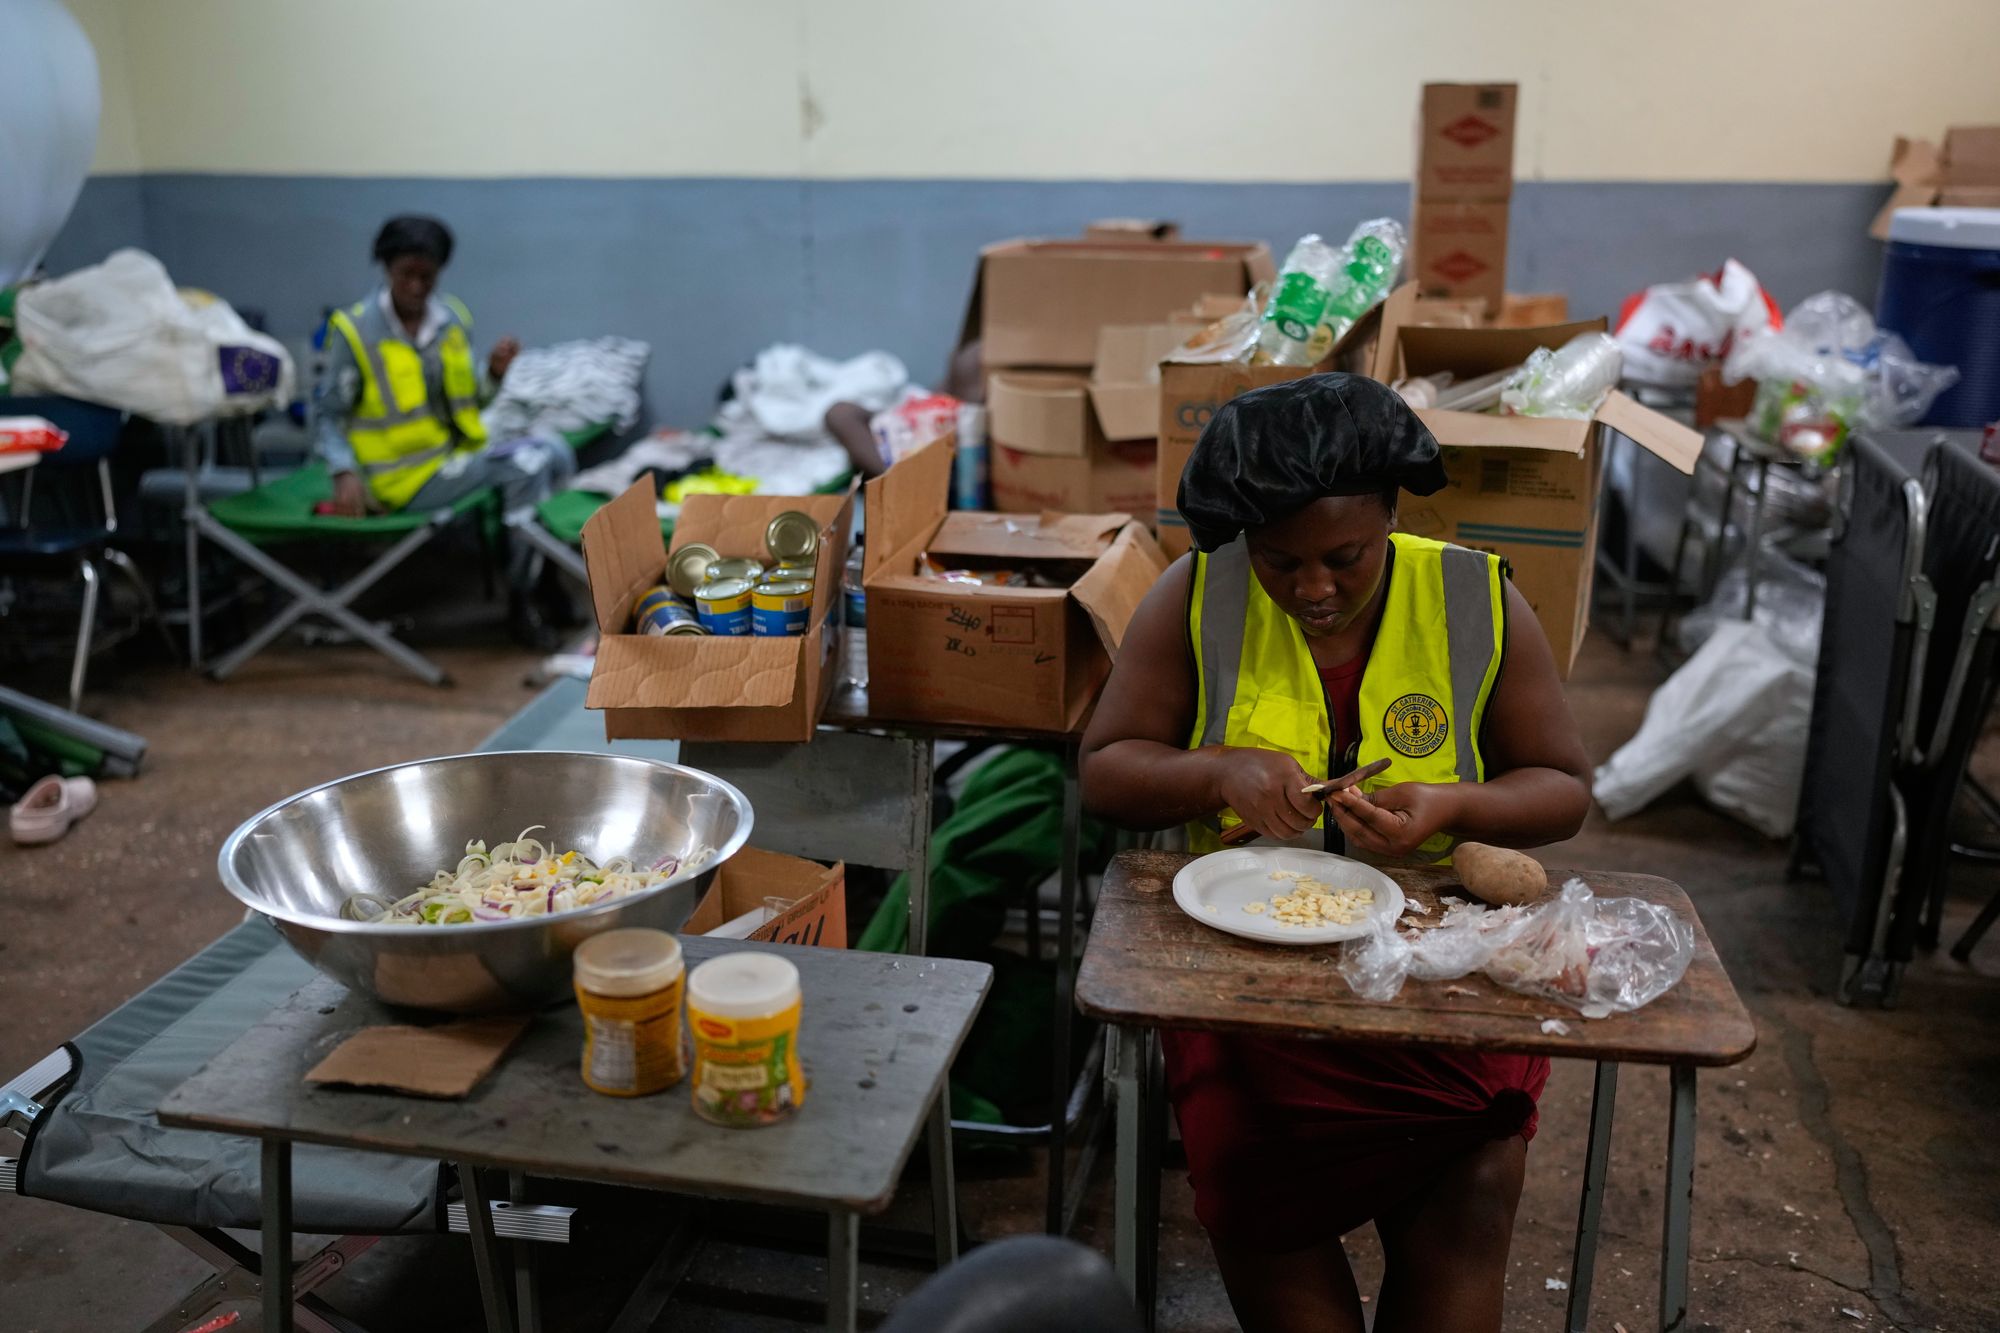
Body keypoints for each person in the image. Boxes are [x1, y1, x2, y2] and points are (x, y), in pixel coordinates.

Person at [1079, 373, 1592, 1333]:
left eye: (1346, 557)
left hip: (1429, 971)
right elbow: (1106, 771)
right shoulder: (1199, 594)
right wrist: (1217, 771)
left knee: (1479, 1166)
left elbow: (1563, 788)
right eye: (1281, 562)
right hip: (1237, 982)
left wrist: (1451, 801)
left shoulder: (1474, 598)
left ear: (1392, 519)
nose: (1314, 588)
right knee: (1251, 1171)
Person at [314, 215, 575, 636]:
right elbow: (328, 414)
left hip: (451, 461)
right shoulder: (356, 331)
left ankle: (546, 580)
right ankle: (523, 600)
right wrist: (343, 472)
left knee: (556, 449)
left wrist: (492, 374)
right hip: (399, 480)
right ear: (386, 270)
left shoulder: (450, 321)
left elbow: (468, 399)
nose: (417, 286)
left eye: (427, 276)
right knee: (525, 464)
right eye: (406, 275)